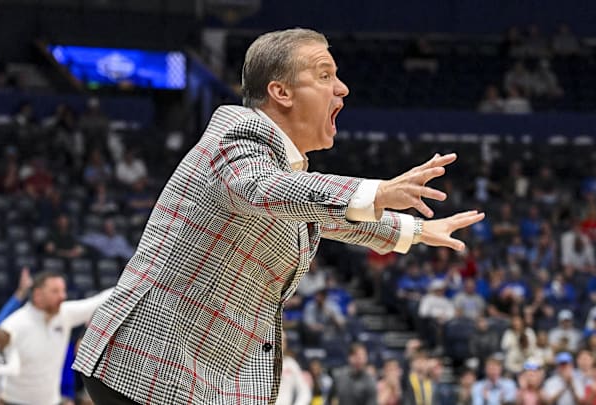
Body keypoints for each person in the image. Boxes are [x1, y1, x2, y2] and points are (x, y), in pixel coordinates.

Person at [72, 28, 485, 405]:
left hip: (195, 369)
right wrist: (376, 190)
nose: (342, 88)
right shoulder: (236, 140)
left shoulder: (281, 167)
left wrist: (415, 229)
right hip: (152, 363)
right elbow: (263, 190)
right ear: (281, 92)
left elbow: (318, 215)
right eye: (325, 76)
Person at [0, 271, 113, 405]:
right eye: (55, 291)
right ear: (37, 294)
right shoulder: (13, 325)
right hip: (14, 401)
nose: (62, 296)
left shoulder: (64, 314)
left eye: (63, 291)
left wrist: (131, 282)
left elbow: (97, 301)